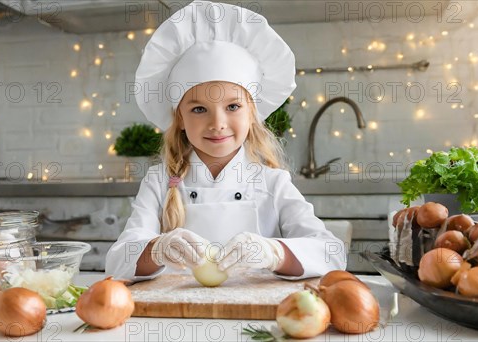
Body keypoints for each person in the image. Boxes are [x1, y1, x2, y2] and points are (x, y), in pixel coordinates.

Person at [106, 0, 346, 282]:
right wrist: (156, 251)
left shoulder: (273, 183)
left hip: (257, 319)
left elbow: (332, 253)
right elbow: (117, 261)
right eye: (198, 109)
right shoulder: (160, 182)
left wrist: (274, 253)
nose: (217, 123)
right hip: (176, 315)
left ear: (252, 112)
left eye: (233, 107)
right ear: (180, 118)